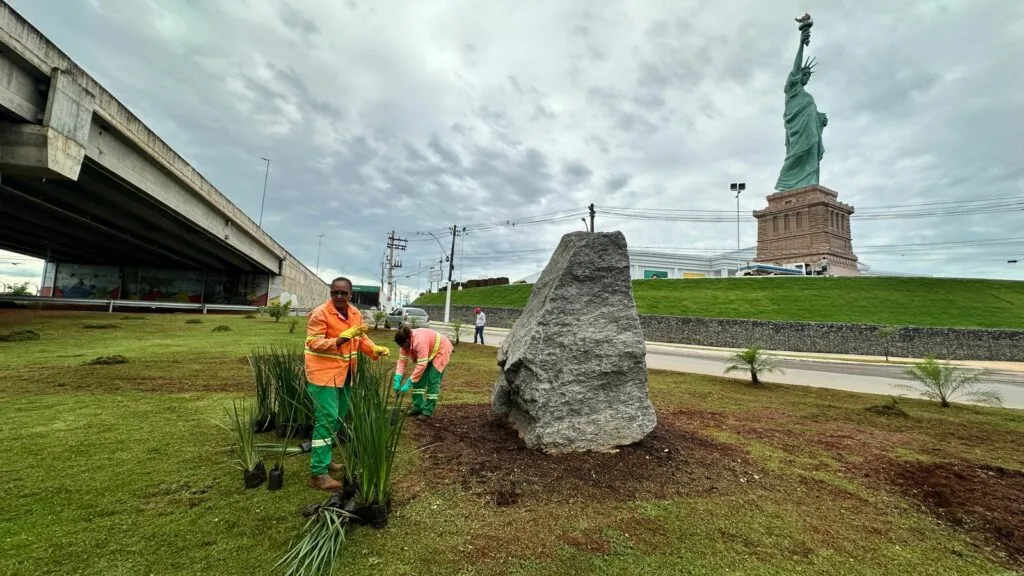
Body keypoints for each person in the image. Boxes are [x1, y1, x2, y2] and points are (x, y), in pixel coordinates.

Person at [304, 276, 391, 491]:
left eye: (344, 293)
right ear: (331, 293)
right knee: (327, 419)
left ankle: (325, 460)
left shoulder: (355, 314)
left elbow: (360, 339)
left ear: (351, 294)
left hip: (345, 375)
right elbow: (313, 343)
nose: (339, 296)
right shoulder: (320, 314)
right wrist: (340, 339)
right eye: (335, 292)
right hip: (323, 375)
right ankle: (318, 473)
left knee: (338, 418)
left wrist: (374, 349)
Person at [392, 325, 453, 420]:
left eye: (403, 346)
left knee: (432, 380)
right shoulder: (404, 344)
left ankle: (428, 410)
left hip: (441, 350)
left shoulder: (419, 341)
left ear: (408, 341)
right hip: (428, 352)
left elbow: (421, 365)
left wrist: (408, 382)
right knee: (418, 380)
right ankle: (418, 407)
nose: (403, 349)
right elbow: (402, 361)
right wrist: (397, 378)